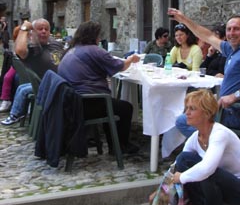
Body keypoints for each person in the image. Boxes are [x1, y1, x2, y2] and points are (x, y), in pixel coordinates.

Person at [168, 8, 240, 133]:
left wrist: (235, 96)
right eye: (229, 29)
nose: (232, 33)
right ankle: (213, 147)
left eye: (236, 29)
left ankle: (211, 149)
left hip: (235, 114)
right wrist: (183, 19)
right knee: (190, 109)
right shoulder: (233, 49)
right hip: (225, 109)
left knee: (183, 121)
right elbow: (208, 36)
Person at [172, 89, 240, 205]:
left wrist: (182, 177)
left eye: (192, 109)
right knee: (183, 159)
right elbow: (176, 164)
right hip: (221, 185)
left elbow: (207, 168)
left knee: (208, 173)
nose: (186, 113)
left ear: (207, 113)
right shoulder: (195, 137)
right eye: (186, 108)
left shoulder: (219, 134)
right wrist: (160, 191)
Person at [58, 21, 140, 154]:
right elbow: (121, 66)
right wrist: (130, 59)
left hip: (71, 101)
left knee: (111, 105)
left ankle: (114, 145)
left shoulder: (71, 49)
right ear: (93, 36)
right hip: (85, 103)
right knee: (125, 108)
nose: (100, 38)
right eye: (98, 35)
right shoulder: (94, 50)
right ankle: (120, 146)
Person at [1, 19, 64, 125]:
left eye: (46, 29)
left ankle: (15, 114)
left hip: (62, 82)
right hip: (49, 87)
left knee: (23, 88)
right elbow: (20, 50)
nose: (44, 31)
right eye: (40, 29)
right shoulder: (33, 50)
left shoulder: (54, 43)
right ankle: (15, 115)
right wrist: (24, 28)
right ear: (33, 33)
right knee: (24, 89)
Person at [0, 26, 21, 112]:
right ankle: (6, 99)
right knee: (7, 77)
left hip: (26, 66)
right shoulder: (17, 44)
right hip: (17, 65)